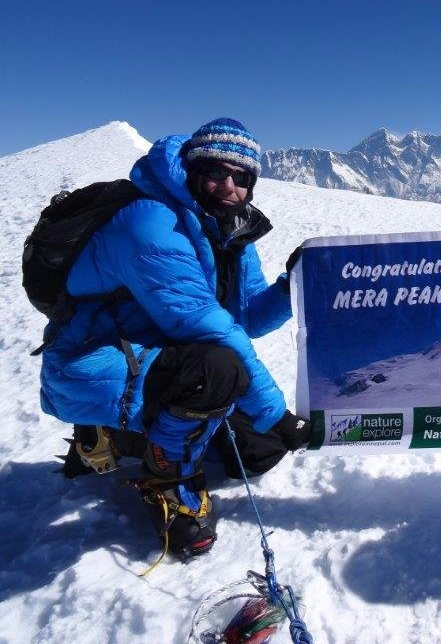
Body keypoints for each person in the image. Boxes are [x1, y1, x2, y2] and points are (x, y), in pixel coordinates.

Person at [42, 118, 310, 558]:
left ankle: (118, 437)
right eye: (215, 172)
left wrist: (289, 287)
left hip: (161, 360)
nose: (228, 185)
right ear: (190, 171)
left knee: (261, 451)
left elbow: (244, 320)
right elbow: (207, 327)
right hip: (94, 364)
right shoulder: (150, 223)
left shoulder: (229, 230)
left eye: (241, 177)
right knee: (217, 370)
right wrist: (276, 413)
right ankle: (168, 481)